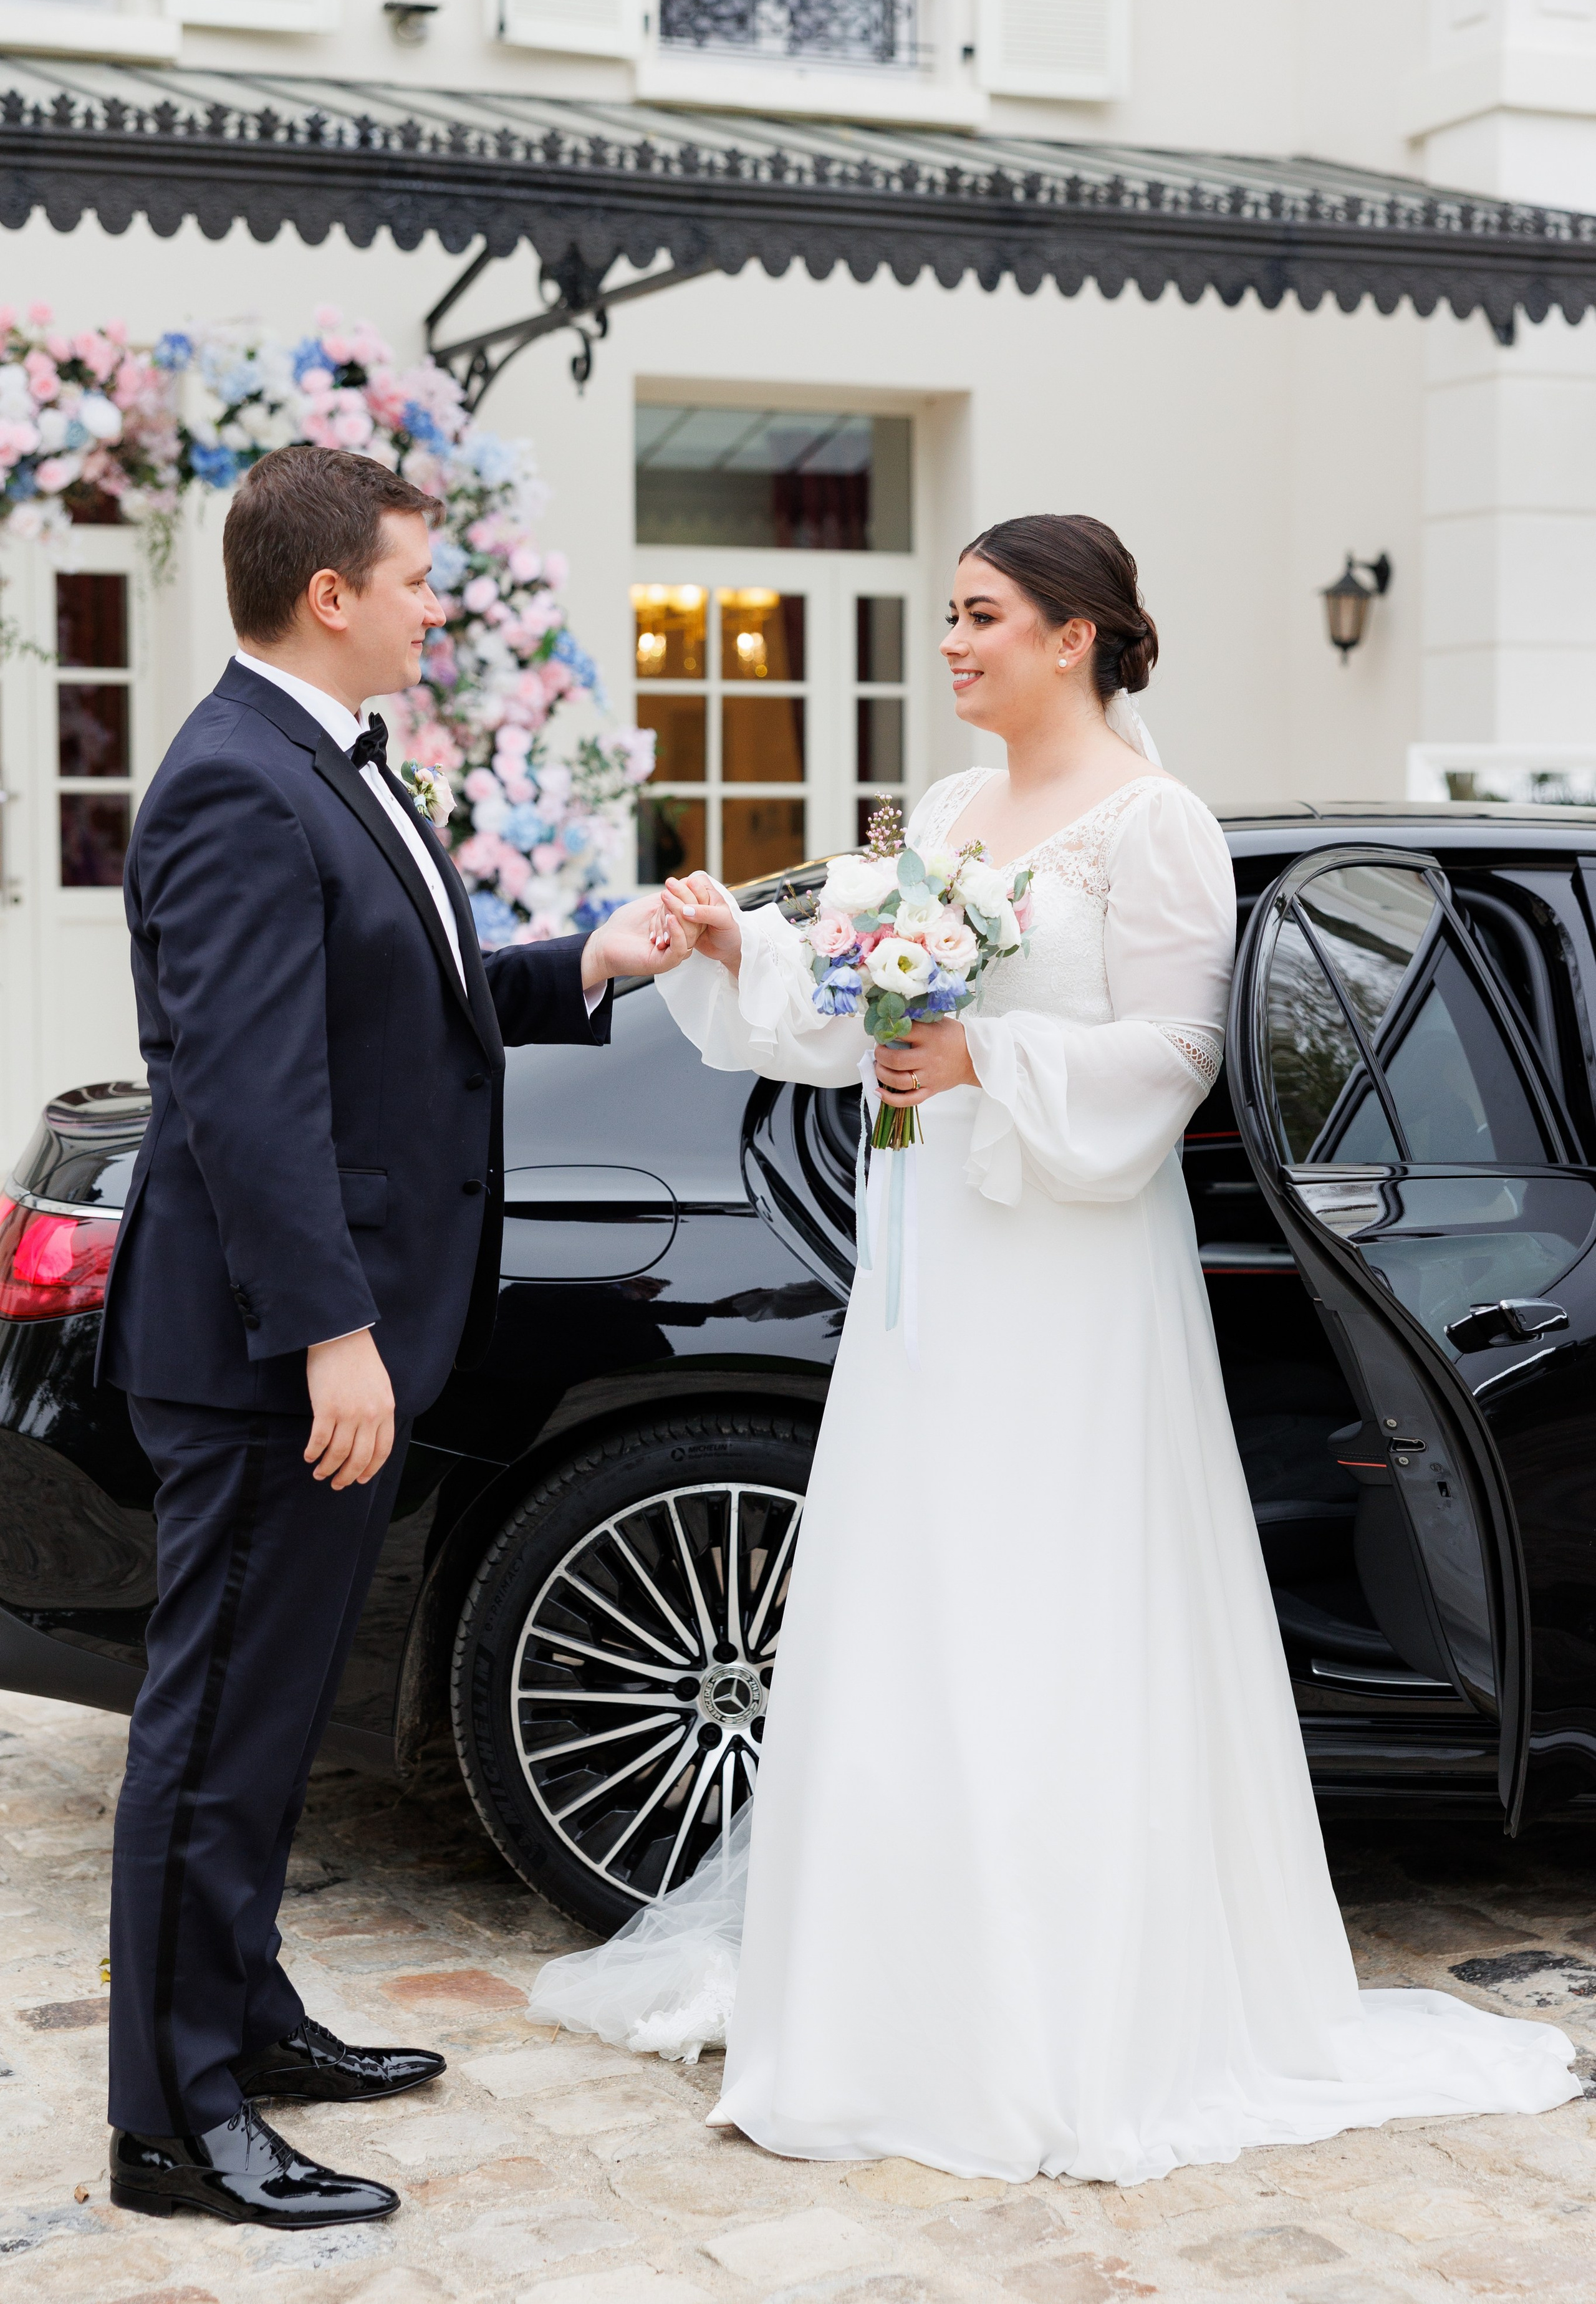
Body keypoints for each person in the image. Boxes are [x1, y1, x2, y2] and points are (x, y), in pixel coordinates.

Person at [530, 513, 1578, 2186]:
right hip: (936, 1253)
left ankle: (1064, 2021)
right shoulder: (945, 813)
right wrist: (747, 949)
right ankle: (892, 2006)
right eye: (949, 615)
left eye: (981, 615)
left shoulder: (1159, 826)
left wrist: (987, 1063)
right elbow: (859, 1007)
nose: (952, 643)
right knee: (924, 1589)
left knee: (1058, 1592)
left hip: (1074, 1264)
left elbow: (1175, 1057)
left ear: (1075, 636)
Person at [98, 446, 691, 2229]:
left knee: (273, 1714)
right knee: (211, 1729)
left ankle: (244, 2014)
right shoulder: (236, 783)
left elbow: (407, 1013)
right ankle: (171, 2122)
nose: (440, 607)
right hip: (267, 1356)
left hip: (330, 1337)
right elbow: (248, 1099)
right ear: (331, 592)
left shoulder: (328, 759)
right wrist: (329, 1333)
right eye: (419, 579)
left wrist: (593, 959)